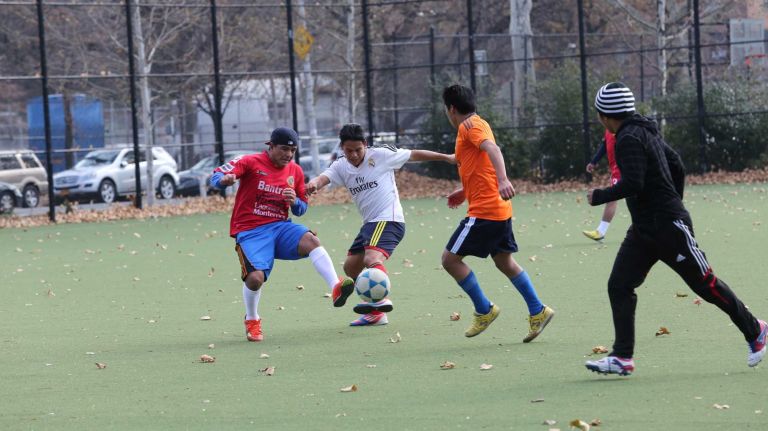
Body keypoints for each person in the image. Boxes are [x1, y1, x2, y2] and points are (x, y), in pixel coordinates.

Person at [585, 82, 767, 375]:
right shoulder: (644, 131)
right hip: (645, 229)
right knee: (619, 285)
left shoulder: (628, 138)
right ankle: (622, 357)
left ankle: (755, 329)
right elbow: (677, 164)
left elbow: (634, 183)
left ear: (604, 116)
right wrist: (671, 199)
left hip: (668, 228)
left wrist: (601, 196)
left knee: (705, 284)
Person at [210, 127, 355, 342]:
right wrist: (223, 181)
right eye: (284, 149)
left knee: (311, 240)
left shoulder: (295, 171)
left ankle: (335, 287)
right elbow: (216, 175)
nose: (288, 155)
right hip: (250, 231)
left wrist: (294, 201)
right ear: (271, 146)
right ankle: (252, 319)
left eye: (293, 150)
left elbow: (301, 209)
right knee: (255, 278)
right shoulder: (250, 162)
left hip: (280, 228)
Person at [306, 123, 455, 326]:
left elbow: (414, 154)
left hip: (389, 219)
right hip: (370, 225)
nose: (354, 154)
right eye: (349, 150)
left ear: (365, 145)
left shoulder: (381, 155)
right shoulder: (341, 165)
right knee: (351, 268)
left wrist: (447, 158)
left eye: (358, 150)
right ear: (342, 148)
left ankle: (381, 298)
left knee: (372, 258)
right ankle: (378, 312)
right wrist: (313, 184)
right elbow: (324, 177)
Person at [441, 84, 554, 341]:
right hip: (498, 210)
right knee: (504, 262)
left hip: (486, 212)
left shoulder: (469, 126)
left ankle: (484, 310)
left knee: (449, 260)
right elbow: (478, 166)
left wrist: (503, 180)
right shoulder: (476, 123)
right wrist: (464, 190)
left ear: (451, 109)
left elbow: (493, 149)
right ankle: (538, 311)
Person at [583, 130, 620, 241]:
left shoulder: (621, 127)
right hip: (616, 169)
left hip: (622, 168)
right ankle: (601, 232)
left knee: (613, 198)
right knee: (614, 198)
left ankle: (601, 232)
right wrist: (593, 161)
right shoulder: (609, 127)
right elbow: (605, 145)